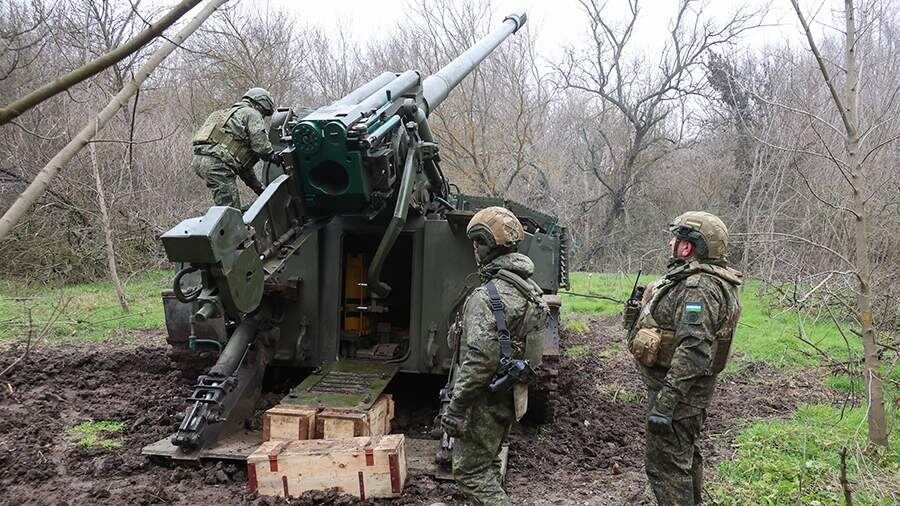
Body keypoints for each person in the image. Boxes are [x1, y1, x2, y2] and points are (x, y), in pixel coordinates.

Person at [623, 211, 743, 506]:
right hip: (683, 396)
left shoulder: (698, 289)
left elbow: (694, 349)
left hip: (679, 398)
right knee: (685, 460)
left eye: (676, 238)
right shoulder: (693, 281)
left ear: (688, 246)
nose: (670, 243)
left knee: (666, 468)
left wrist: (666, 404)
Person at [440, 206, 548, 506]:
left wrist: (456, 408)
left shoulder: (487, 295)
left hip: (484, 398)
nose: (475, 249)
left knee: (470, 473)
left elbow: (478, 363)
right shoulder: (530, 289)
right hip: (510, 394)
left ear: (488, 247)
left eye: (478, 242)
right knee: (487, 465)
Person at [191, 87, 283, 209]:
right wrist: (272, 156)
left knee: (225, 206)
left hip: (200, 161)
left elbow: (241, 163)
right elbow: (260, 145)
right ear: (262, 105)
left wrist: (258, 188)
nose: (263, 116)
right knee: (230, 212)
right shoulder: (251, 113)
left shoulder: (222, 114)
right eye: (265, 113)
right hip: (218, 165)